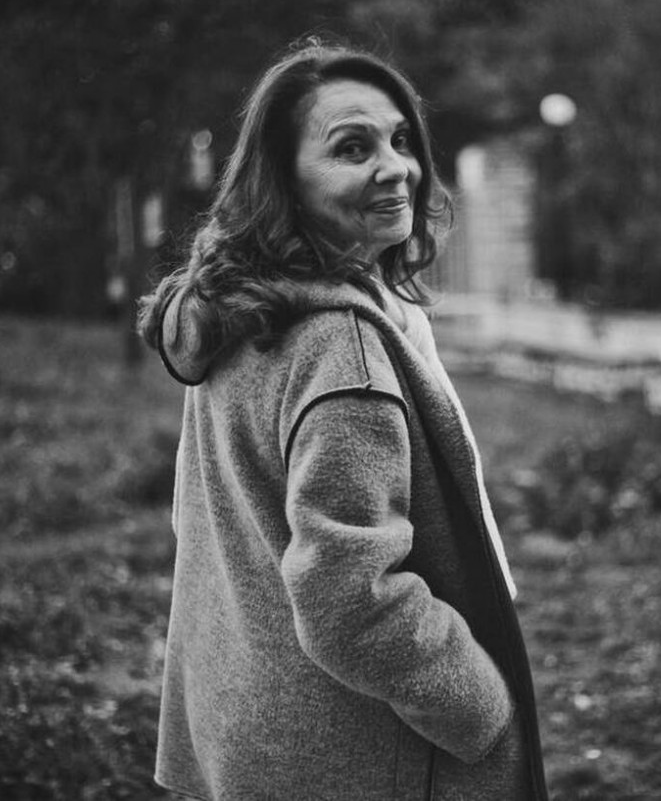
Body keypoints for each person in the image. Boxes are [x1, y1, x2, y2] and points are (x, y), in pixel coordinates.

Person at [138, 39, 549, 801]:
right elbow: (348, 600)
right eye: (352, 148)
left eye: (400, 141)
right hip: (356, 757)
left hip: (253, 724)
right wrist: (483, 707)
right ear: (284, 179)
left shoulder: (241, 307)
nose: (396, 168)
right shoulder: (340, 349)